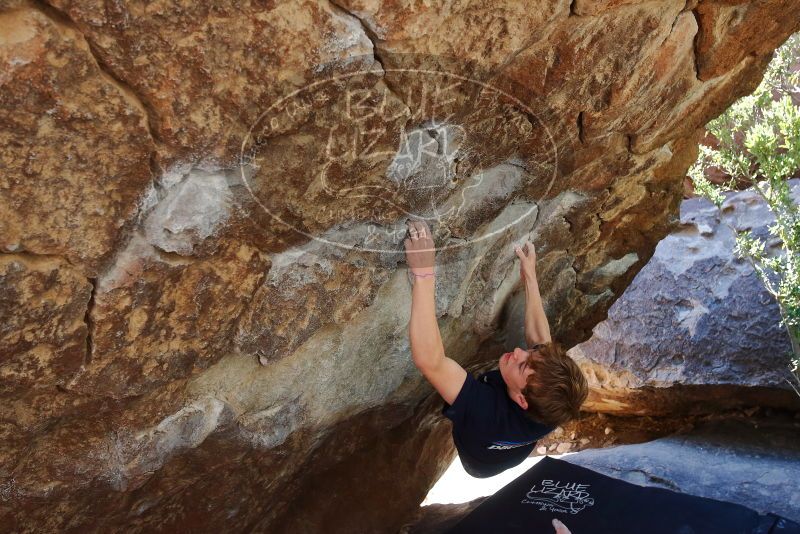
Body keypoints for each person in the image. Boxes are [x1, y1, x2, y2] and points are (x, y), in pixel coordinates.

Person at [404, 219, 589, 478]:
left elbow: (430, 361)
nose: (518, 351)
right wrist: (530, 278)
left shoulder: (488, 414)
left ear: (522, 400)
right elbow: (540, 338)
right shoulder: (556, 402)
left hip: (479, 463)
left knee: (475, 446)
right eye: (530, 354)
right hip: (515, 448)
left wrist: (423, 275)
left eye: (522, 364)